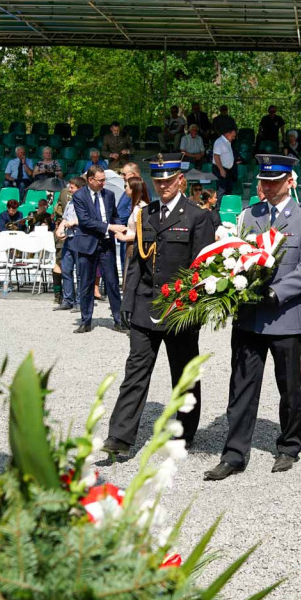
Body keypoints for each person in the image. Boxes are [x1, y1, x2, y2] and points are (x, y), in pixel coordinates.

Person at [204, 154, 301, 481]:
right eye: (264, 181)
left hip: (285, 315)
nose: (267, 187)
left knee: (289, 387)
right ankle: (234, 453)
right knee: (241, 386)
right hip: (249, 318)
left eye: (274, 181)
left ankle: (289, 445)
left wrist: (279, 291)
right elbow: (233, 259)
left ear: (290, 182)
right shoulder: (247, 216)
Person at [103, 155, 215, 458]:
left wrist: (196, 312)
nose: (163, 186)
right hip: (145, 305)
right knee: (136, 371)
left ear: (180, 180)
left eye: (168, 180)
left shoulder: (196, 216)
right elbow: (137, 261)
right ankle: (120, 437)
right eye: (158, 181)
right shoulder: (146, 214)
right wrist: (128, 301)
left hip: (180, 310)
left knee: (184, 375)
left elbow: (202, 269)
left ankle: (185, 431)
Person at [71, 165, 126, 333]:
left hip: (106, 245)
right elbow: (85, 221)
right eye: (100, 180)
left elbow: (114, 214)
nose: (103, 183)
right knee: (86, 284)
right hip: (87, 245)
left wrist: (119, 227)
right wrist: (110, 226)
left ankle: (119, 320)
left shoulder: (109, 195)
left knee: (112, 283)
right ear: (90, 180)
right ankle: (86, 320)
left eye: (104, 180)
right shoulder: (79, 196)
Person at [54, 177, 86, 312]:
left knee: (80, 273)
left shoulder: (87, 202)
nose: (69, 190)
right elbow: (65, 219)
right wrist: (60, 230)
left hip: (80, 239)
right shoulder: (70, 203)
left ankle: (80, 302)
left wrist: (74, 222)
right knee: (66, 270)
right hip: (68, 239)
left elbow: (89, 220)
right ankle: (68, 300)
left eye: (72, 187)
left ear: (79, 188)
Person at [115, 176, 150, 244]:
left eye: (126, 186)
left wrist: (124, 237)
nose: (125, 189)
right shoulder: (140, 206)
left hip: (135, 247)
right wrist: (127, 229)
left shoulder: (139, 208)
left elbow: (143, 233)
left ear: (133, 189)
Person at [212, 126, 237, 199]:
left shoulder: (227, 142)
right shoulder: (219, 142)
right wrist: (221, 169)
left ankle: (226, 206)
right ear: (228, 133)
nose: (233, 138)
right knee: (221, 189)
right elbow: (216, 156)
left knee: (228, 189)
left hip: (228, 169)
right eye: (233, 136)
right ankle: (219, 208)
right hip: (220, 169)